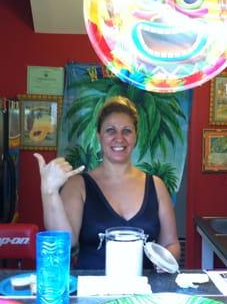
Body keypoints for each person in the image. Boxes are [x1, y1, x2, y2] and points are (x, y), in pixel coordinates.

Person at [34, 96, 181, 269]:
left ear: (136, 137)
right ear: (99, 136)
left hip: (143, 291)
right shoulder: (78, 185)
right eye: (110, 130)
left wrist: (164, 264)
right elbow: (66, 242)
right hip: (92, 292)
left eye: (127, 131)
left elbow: (171, 244)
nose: (119, 138)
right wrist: (49, 191)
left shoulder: (156, 185)